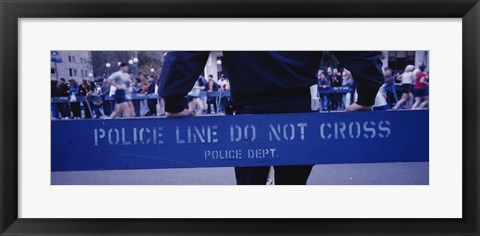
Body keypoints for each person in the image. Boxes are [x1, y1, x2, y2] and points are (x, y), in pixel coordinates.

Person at [159, 51, 384, 185]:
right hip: (299, 107)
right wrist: (366, 95)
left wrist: (173, 99)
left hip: (249, 111)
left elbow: (186, 51)